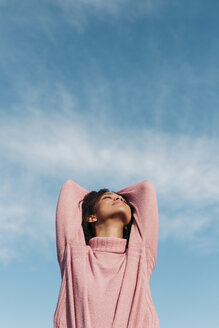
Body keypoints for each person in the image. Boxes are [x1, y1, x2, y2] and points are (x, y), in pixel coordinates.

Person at [54, 179, 159, 328]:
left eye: (123, 200)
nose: (118, 198)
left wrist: (111, 198)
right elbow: (69, 189)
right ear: (91, 217)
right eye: (108, 198)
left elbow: (145, 190)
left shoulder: (139, 257)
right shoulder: (75, 254)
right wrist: (93, 199)